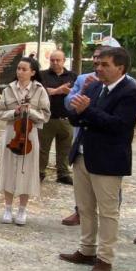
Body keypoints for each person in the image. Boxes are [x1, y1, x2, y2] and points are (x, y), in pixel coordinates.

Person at [58, 47, 136, 271]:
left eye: (105, 65)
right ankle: (86, 250)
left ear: (120, 67)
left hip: (108, 159)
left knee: (107, 212)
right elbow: (77, 117)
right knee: (85, 207)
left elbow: (119, 126)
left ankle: (105, 258)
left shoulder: (131, 93)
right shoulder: (95, 86)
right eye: (97, 64)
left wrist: (88, 111)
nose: (98, 68)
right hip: (83, 155)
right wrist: (77, 111)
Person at [60, 42, 111, 226]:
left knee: (107, 188)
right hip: (82, 137)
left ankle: (109, 219)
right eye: (96, 58)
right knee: (82, 183)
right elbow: (68, 103)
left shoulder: (124, 82)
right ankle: (79, 212)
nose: (98, 63)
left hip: (107, 146)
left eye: (102, 59)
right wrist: (84, 91)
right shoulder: (83, 79)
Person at [0, 57, 50, 226]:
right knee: (9, 170)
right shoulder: (8, 90)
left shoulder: (39, 90)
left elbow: (45, 115)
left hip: (30, 134)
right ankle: (8, 208)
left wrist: (30, 112)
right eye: (18, 69)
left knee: (27, 171)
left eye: (24, 69)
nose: (20, 72)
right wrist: (14, 113)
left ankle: (22, 210)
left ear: (33, 72)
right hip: (12, 133)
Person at [38, 50, 78, 184]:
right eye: (52, 60)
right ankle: (39, 172)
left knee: (65, 149)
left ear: (64, 60)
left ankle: (63, 173)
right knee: (42, 148)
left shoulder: (73, 76)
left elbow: (78, 93)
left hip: (66, 119)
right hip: (47, 119)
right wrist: (58, 90)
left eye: (58, 60)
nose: (55, 63)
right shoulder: (42, 75)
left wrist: (69, 91)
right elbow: (41, 91)